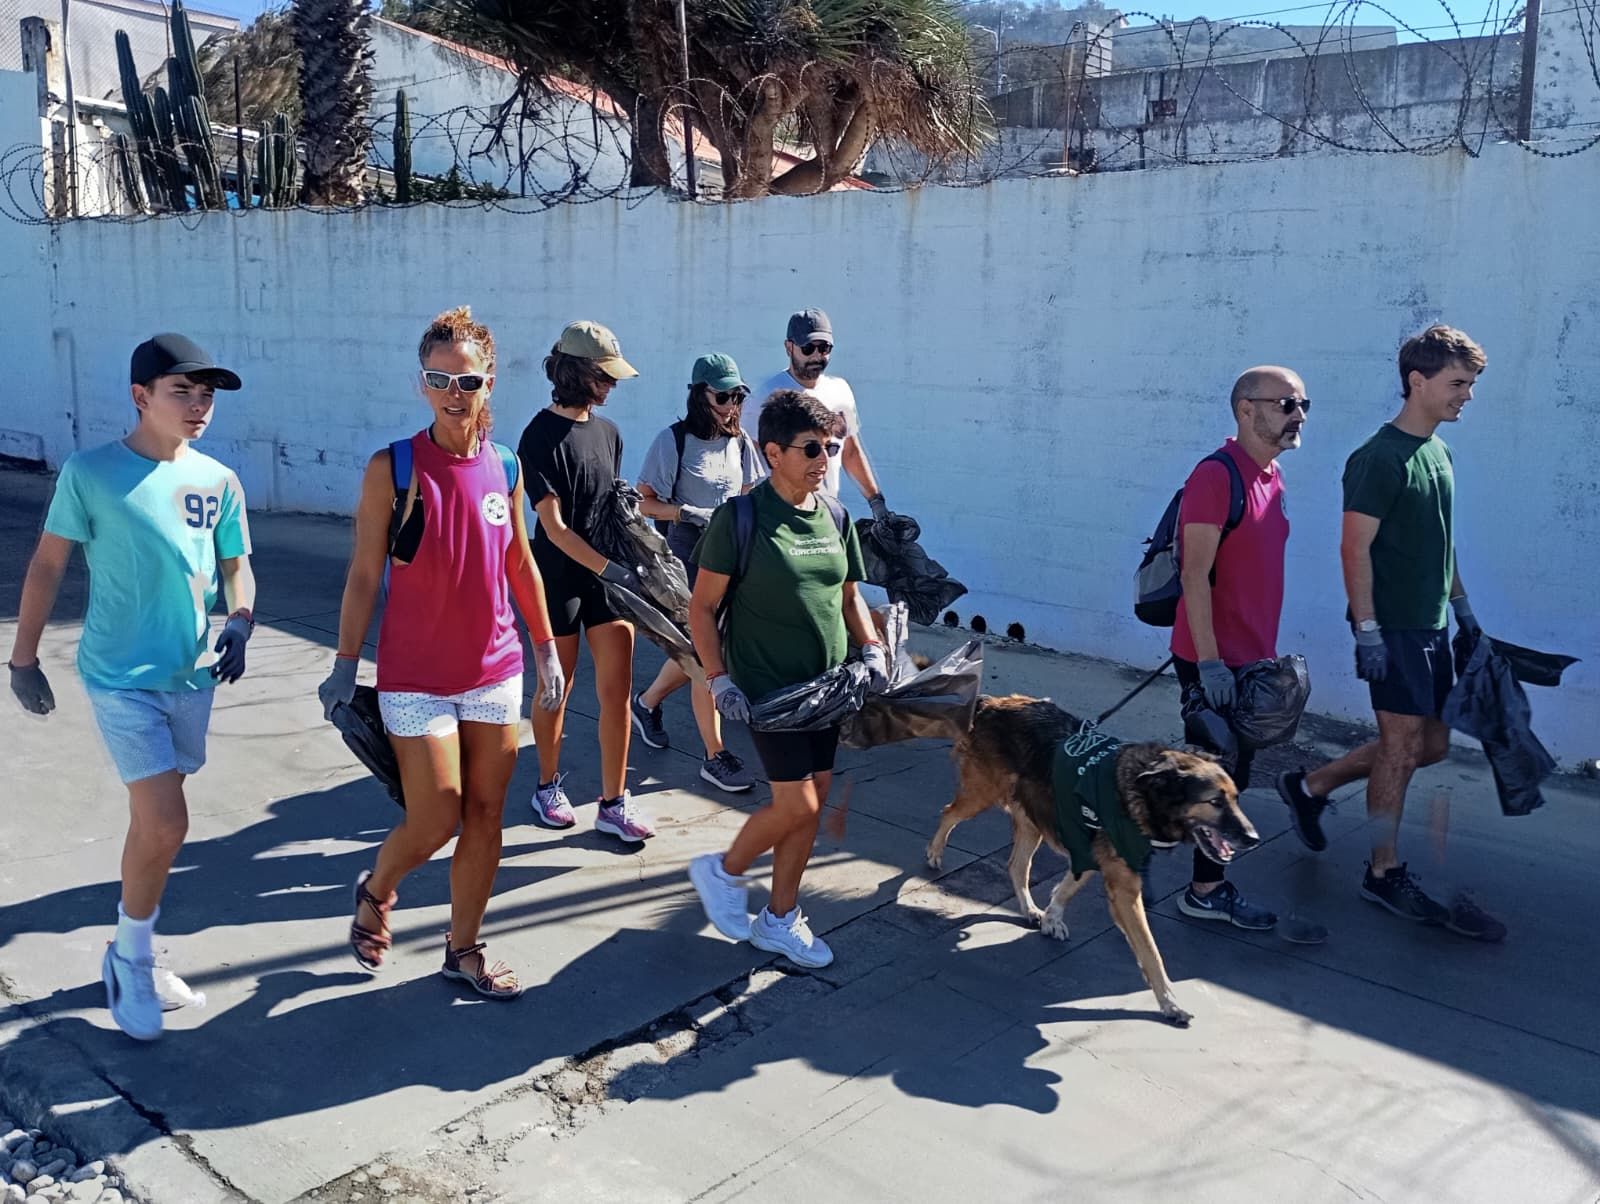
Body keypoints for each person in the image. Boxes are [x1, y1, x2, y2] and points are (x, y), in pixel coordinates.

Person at [8, 333, 256, 1040]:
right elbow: (48, 566)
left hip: (190, 674)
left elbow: (236, 564)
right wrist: (23, 658)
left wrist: (240, 619)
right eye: (183, 391)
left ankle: (135, 948)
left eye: (206, 394)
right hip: (119, 677)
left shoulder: (218, 480)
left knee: (153, 824)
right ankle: (131, 957)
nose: (199, 405)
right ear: (140, 395)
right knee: (168, 822)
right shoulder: (90, 473)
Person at [317, 307, 565, 999]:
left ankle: (463, 949)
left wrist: (545, 647)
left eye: (469, 380)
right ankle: (378, 886)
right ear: (423, 384)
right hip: (414, 677)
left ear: (489, 384)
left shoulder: (507, 465)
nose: (455, 392)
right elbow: (366, 572)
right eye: (440, 378)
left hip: (494, 671)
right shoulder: (392, 467)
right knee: (436, 815)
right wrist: (343, 665)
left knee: (487, 814)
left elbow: (520, 562)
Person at [1277, 325, 1503, 940]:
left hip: (1430, 626)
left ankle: (1310, 784)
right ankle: (1384, 871)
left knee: (1429, 747)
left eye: (1470, 385)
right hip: (1394, 628)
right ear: (1418, 381)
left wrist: (1466, 613)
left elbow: (1443, 542)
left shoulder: (1439, 452)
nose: (1467, 396)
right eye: (1459, 384)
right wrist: (1369, 631)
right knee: (1402, 747)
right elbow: (1355, 549)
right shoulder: (1377, 458)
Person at [685, 390, 890, 968]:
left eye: (830, 446)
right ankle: (722, 870)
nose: (823, 458)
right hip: (767, 692)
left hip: (827, 687)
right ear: (772, 452)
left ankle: (780, 918)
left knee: (814, 801)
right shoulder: (741, 518)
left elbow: (849, 595)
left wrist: (871, 649)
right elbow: (701, 609)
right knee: (796, 803)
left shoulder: (837, 514)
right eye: (811, 448)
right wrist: (719, 678)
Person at [1170, 366, 1310, 937]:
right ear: (1246, 410)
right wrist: (1208, 664)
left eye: (1303, 404)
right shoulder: (1215, 476)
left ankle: (1171, 836)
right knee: (1222, 783)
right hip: (1214, 658)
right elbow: (1194, 576)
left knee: (1228, 775)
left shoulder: (1271, 476)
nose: (1297, 415)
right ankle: (1204, 892)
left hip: (1251, 656)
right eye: (1285, 404)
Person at [517, 321, 654, 842]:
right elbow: (553, 529)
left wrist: (636, 555)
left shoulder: (610, 432)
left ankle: (613, 801)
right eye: (605, 375)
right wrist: (611, 569)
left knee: (617, 692)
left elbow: (609, 506)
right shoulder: (538, 436)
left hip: (608, 576)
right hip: (558, 577)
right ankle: (547, 784)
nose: (613, 384)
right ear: (576, 372)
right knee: (557, 686)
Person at [631, 353, 764, 793]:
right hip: (687, 561)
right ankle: (714, 755)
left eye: (737, 395)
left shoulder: (740, 442)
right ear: (698, 394)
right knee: (705, 657)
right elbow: (641, 502)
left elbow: (748, 496)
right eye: (722, 395)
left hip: (732, 559)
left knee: (705, 654)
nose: (730, 404)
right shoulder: (673, 442)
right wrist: (684, 512)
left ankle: (647, 703)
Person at [749, 309, 891, 520]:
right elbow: (749, 457)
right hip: (780, 515)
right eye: (808, 348)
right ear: (789, 348)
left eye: (824, 348)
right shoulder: (765, 395)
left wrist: (877, 503)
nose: (816, 356)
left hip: (826, 513)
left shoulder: (841, 390)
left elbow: (850, 451)